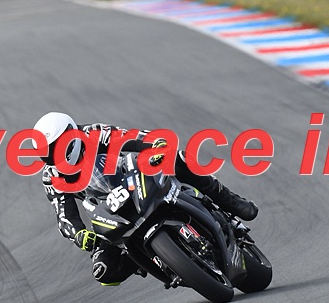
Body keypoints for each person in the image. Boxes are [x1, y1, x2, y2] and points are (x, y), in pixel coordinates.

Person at [33, 112, 259, 286]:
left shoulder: (94, 133)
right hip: (109, 213)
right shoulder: (51, 177)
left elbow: (131, 137)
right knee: (104, 271)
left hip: (132, 181)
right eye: (45, 153)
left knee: (177, 159)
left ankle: (230, 201)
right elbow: (64, 215)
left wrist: (155, 146)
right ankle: (155, 258)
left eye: (54, 148)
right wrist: (79, 235)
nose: (51, 156)